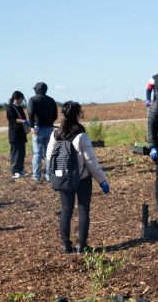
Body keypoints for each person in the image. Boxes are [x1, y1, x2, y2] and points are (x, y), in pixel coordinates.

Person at [46, 101, 110, 254]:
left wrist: (51, 176)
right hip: (82, 179)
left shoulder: (55, 134)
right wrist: (102, 180)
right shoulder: (81, 136)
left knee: (66, 210)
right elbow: (91, 162)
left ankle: (65, 245)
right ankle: (82, 245)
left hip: (64, 178)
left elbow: (49, 157)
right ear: (77, 115)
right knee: (83, 210)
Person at [27, 82, 58, 182]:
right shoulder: (51, 100)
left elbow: (30, 113)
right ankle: (49, 176)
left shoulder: (33, 100)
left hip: (37, 129)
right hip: (49, 129)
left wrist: (32, 126)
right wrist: (50, 121)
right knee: (49, 153)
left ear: (36, 90)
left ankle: (36, 176)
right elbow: (55, 115)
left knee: (37, 153)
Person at [6, 91, 29, 178]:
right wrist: (23, 121)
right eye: (22, 98)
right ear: (17, 98)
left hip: (22, 134)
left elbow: (23, 117)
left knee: (22, 153)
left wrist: (27, 122)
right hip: (14, 134)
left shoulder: (20, 107)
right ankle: (14, 171)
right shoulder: (10, 107)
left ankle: (21, 170)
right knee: (15, 153)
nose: (22, 100)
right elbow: (13, 119)